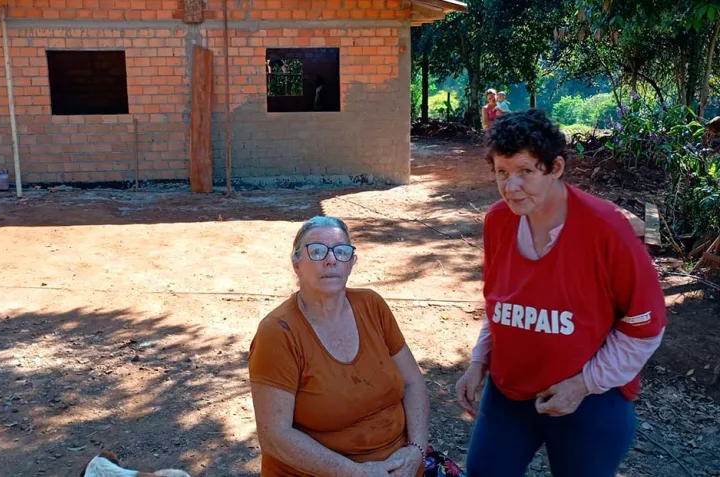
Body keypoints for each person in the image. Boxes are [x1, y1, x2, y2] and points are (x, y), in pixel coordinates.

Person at [456, 109, 666, 477]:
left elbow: (645, 326)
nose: (511, 187)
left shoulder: (605, 228)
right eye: (502, 173)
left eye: (525, 171)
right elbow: (500, 304)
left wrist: (584, 384)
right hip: (509, 392)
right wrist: (479, 363)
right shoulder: (498, 221)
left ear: (555, 168)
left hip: (589, 398)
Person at [248, 216, 465, 477]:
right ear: (296, 263)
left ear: (351, 262)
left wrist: (416, 450)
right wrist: (356, 473)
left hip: (402, 463)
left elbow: (412, 382)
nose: (331, 260)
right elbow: (275, 436)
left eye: (341, 251)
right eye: (317, 251)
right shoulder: (278, 332)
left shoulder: (371, 305)